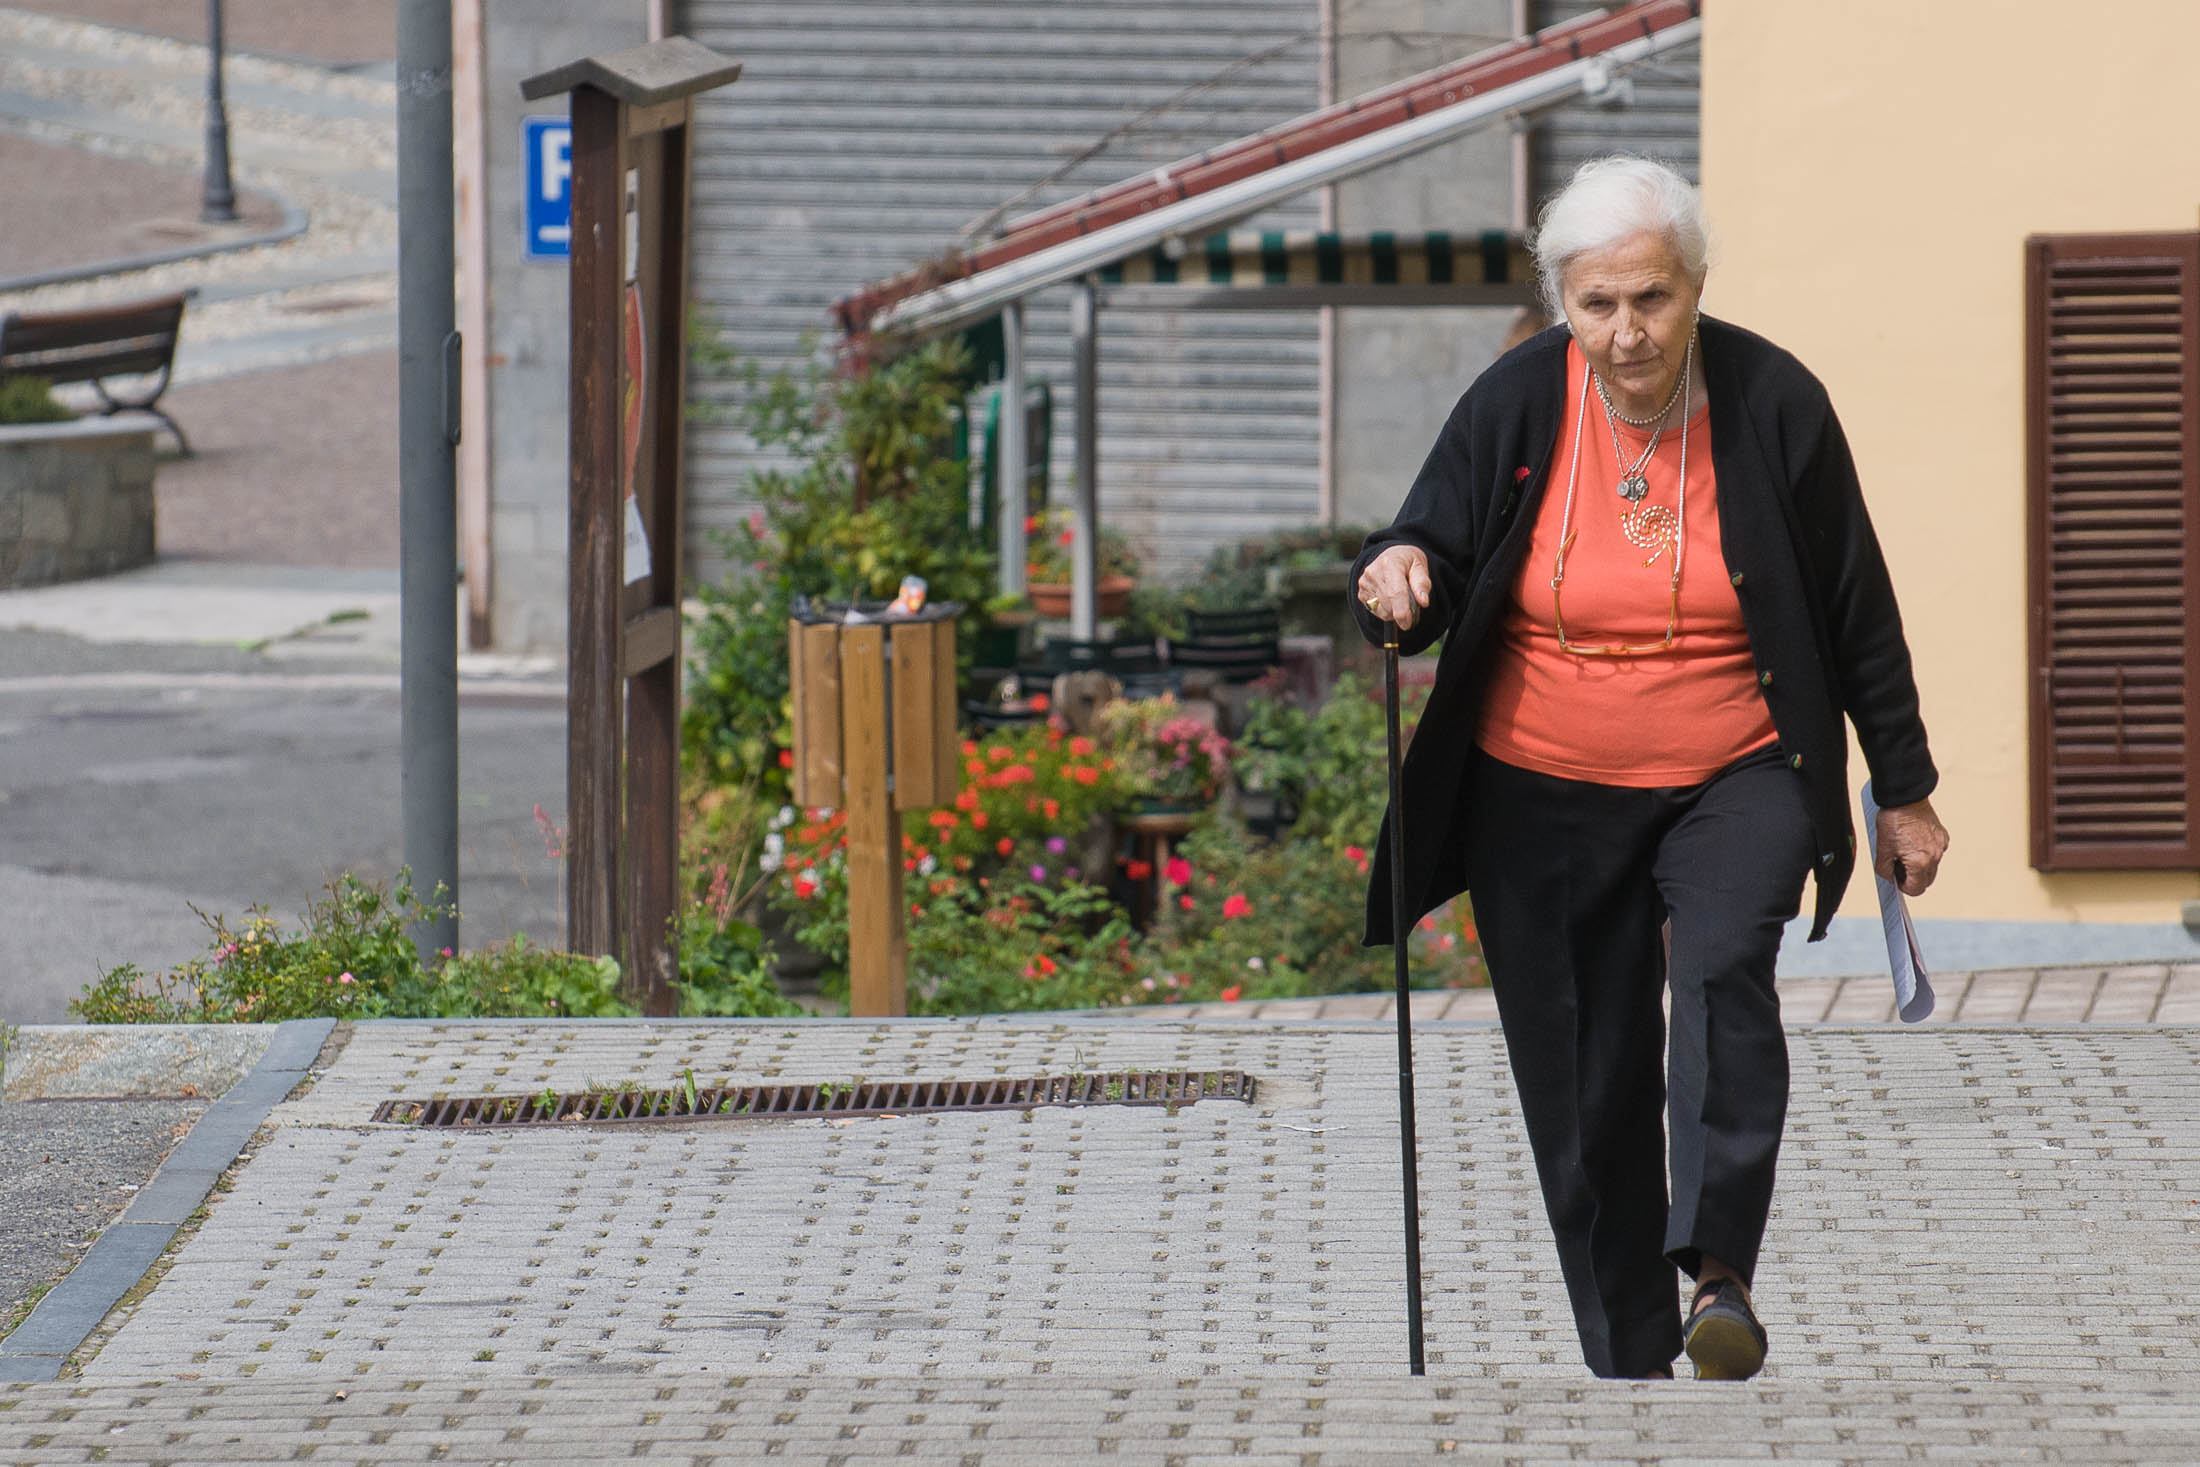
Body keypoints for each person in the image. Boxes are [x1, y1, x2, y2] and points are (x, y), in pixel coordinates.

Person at [1351, 156, 1949, 1382]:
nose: (1627, 332)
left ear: (1696, 285)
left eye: (1651, 299)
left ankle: (1717, 1272)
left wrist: (1903, 788)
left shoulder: (1772, 401)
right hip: (1538, 785)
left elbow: (1855, 607)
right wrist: (1398, 571)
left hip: (1739, 761)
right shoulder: (1517, 401)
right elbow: (1430, 542)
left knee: (1724, 966)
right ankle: (1627, 1357)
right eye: (1597, 305)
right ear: (1561, 304)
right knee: (1583, 1069)